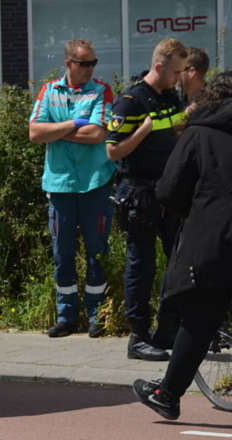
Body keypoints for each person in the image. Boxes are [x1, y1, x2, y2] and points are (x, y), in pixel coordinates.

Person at [134, 71, 232, 420]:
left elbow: (169, 189)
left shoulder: (199, 131)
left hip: (212, 239)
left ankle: (167, 394)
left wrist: (189, 209)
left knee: (199, 320)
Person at [106, 39, 187, 361]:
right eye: (176, 71)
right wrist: (142, 131)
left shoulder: (170, 95)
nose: (179, 78)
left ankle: (168, 330)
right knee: (142, 267)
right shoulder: (130, 101)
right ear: (159, 66)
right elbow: (112, 151)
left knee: (179, 262)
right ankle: (138, 339)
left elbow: (177, 131)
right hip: (138, 193)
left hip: (167, 192)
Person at [29, 39, 116, 338]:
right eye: (84, 63)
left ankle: (97, 315)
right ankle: (66, 317)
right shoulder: (49, 91)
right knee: (62, 254)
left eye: (93, 63)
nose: (90, 69)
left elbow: (95, 133)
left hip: (95, 183)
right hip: (60, 184)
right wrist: (73, 123)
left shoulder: (101, 90)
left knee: (97, 252)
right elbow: (34, 132)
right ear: (68, 64)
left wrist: (57, 132)